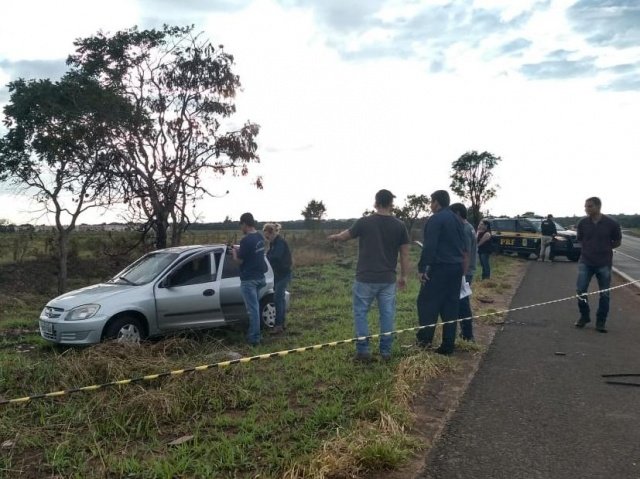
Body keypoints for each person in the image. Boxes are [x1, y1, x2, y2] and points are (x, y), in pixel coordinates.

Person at [328, 189, 410, 362]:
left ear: (376, 202)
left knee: (361, 313)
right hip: (388, 280)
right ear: (391, 204)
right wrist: (404, 276)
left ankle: (363, 351)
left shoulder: (364, 222)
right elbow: (404, 253)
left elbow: (345, 236)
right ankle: (386, 352)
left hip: (365, 278)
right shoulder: (400, 225)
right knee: (387, 315)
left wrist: (335, 237)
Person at [416, 190, 467, 355]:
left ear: (436, 202)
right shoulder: (457, 219)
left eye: (431, 202)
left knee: (426, 303)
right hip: (456, 268)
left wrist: (422, 268)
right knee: (450, 307)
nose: (430, 205)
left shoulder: (436, 219)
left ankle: (424, 341)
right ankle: (447, 346)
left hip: (440, 268)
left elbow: (430, 246)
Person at [575, 197, 622, 333]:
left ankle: (601, 322)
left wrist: (604, 249)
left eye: (589, 206)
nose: (586, 209)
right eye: (585, 206)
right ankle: (584, 316)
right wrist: (589, 249)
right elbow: (580, 239)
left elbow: (617, 241)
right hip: (586, 262)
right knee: (580, 291)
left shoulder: (611, 223)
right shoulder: (582, 223)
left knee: (604, 294)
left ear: (598, 206)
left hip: (604, 263)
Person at [232, 212, 267, 346]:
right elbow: (252, 252)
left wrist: (234, 252)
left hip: (249, 280)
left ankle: (254, 339)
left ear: (245, 224)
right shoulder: (259, 237)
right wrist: (240, 248)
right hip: (260, 278)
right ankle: (255, 334)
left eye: (241, 225)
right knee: (255, 308)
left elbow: (239, 261)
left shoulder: (245, 240)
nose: (241, 228)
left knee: (253, 311)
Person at [450, 203, 476, 342]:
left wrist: (462, 275)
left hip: (464, 272)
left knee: (463, 303)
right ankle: (465, 333)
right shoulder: (470, 227)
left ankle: (468, 334)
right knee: (462, 302)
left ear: (458, 213)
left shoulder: (464, 229)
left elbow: (465, 254)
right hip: (467, 270)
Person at [263, 223, 292, 335]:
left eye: (267, 236)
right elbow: (270, 255)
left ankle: (278, 325)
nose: (267, 238)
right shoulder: (273, 243)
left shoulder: (280, 243)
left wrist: (266, 257)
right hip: (277, 275)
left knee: (277, 299)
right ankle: (282, 323)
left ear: (272, 233)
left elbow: (276, 256)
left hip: (284, 274)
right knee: (281, 299)